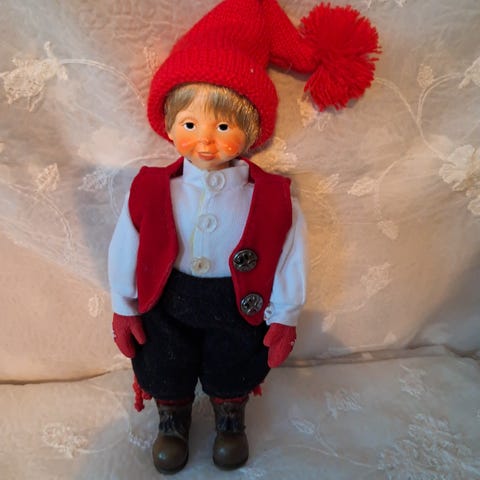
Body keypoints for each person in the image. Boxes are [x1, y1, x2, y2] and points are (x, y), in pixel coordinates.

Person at [108, 0, 379, 473]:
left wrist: (286, 314)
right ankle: (171, 418)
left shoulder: (271, 197)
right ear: (169, 124)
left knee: (234, 360)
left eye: (223, 126)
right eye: (189, 124)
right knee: (165, 359)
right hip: (166, 301)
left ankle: (229, 417)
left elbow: (291, 254)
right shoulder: (151, 188)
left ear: (251, 129)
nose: (205, 140)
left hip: (238, 302)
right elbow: (125, 246)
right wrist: (123, 303)